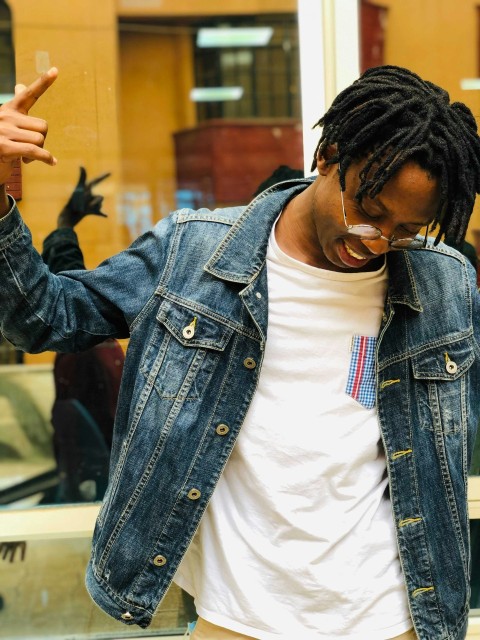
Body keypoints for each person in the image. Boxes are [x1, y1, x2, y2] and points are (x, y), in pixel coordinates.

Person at [0, 65, 479, 640]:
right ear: (327, 155)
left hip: (394, 619)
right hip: (238, 619)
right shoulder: (194, 255)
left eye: (406, 229)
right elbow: (44, 319)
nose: (375, 241)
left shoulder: (443, 283)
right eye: (369, 211)